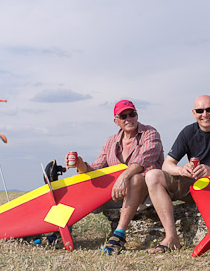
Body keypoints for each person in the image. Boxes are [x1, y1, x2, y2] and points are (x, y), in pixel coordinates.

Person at [145, 94, 210, 254]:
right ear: (194, 113)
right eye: (200, 111)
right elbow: (167, 165)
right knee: (152, 175)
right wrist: (181, 170)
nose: (205, 115)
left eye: (209, 110)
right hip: (194, 186)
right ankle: (171, 238)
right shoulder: (188, 132)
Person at [67, 99, 164, 254]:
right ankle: (61, 230)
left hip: (147, 191)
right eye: (123, 116)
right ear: (116, 121)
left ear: (137, 115)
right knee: (84, 183)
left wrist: (124, 177)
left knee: (136, 178)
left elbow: (145, 160)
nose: (128, 119)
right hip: (120, 193)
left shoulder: (149, 133)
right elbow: (97, 169)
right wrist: (81, 165)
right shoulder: (111, 141)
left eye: (131, 114)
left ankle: (119, 235)